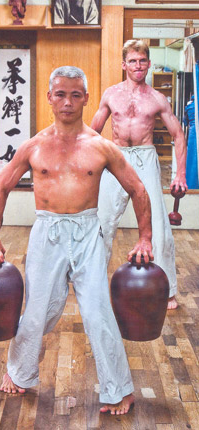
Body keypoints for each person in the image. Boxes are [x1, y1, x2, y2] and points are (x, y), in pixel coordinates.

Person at [0, 66, 154, 415]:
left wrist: (145, 238)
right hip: (47, 233)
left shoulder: (101, 147)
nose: (68, 102)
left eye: (76, 94)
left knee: (97, 313)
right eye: (60, 94)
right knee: (36, 313)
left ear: (87, 98)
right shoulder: (34, 146)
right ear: (49, 98)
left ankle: (120, 390)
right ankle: (18, 373)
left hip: (89, 232)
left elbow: (138, 190)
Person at [91, 39, 188, 310]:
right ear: (124, 64)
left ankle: (167, 290)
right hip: (116, 156)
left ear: (148, 63)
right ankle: (93, 283)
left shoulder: (158, 99)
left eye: (142, 60)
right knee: (102, 222)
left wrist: (180, 174)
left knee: (158, 224)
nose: (138, 65)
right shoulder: (111, 94)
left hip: (145, 157)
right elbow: (93, 131)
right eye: (132, 61)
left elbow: (178, 135)